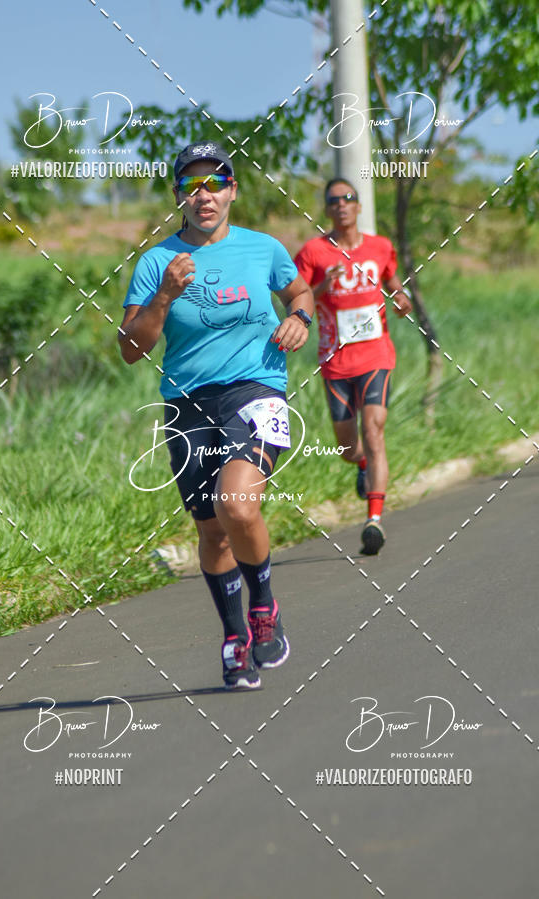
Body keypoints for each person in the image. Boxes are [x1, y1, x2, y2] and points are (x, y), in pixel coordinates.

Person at [119, 142, 314, 689]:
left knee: (237, 505)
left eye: (215, 183)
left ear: (233, 191)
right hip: (188, 404)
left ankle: (264, 606)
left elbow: (299, 291)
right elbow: (131, 348)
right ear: (177, 196)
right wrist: (164, 296)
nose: (204, 195)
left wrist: (299, 318)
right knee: (211, 529)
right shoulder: (157, 262)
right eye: (191, 185)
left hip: (257, 389)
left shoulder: (263, 248)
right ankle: (234, 637)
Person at [294, 178, 412, 555]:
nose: (342, 205)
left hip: (376, 354)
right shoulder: (313, 252)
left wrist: (401, 298)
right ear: (327, 209)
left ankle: (374, 520)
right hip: (335, 362)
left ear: (358, 206)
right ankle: (361, 464)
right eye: (334, 200)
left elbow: (392, 281)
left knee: (374, 430)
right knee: (348, 447)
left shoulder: (380, 246)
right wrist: (321, 288)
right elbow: (296, 300)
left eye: (348, 198)